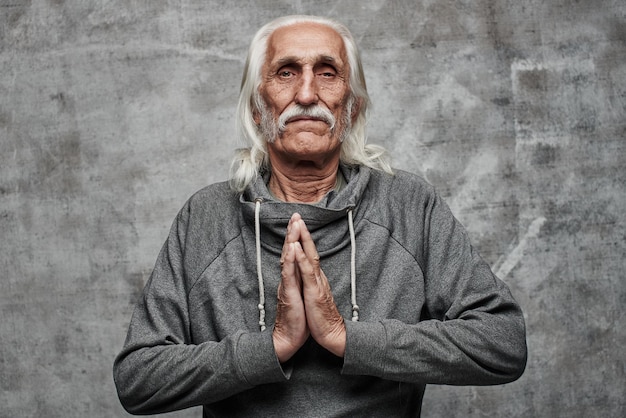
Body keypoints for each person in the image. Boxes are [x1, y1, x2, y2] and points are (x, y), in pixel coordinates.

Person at [113, 15, 527, 417]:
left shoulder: (408, 205)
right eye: (286, 73)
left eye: (328, 73)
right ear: (257, 107)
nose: (308, 94)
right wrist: (271, 347)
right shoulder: (205, 217)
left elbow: (503, 343)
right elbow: (138, 380)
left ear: (353, 107)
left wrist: (345, 337)